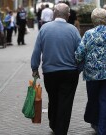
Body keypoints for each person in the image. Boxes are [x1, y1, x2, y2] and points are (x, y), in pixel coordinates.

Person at [31, 3, 81, 135]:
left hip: (50, 73)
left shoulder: (44, 28)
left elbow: (37, 50)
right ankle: (61, 129)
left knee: (53, 98)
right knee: (66, 101)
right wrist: (79, 69)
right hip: (69, 72)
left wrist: (34, 67)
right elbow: (81, 52)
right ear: (68, 15)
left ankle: (53, 124)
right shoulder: (73, 30)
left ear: (54, 14)